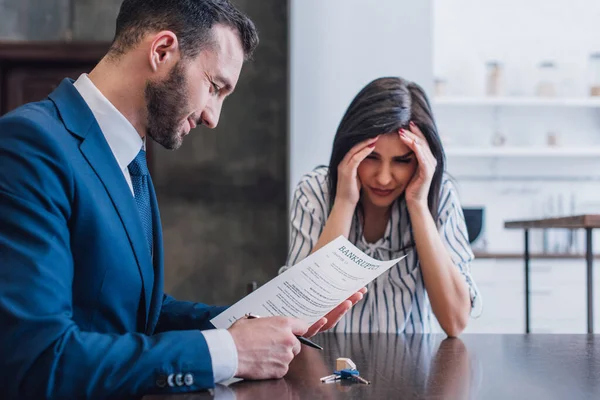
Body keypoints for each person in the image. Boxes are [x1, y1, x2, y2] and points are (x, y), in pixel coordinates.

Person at [0, 1, 365, 398]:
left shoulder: (128, 157)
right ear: (162, 51)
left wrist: (260, 321)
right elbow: (36, 360)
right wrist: (229, 352)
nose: (213, 117)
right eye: (215, 87)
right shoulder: (28, 146)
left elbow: (134, 314)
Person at [283, 77, 481, 336]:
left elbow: (455, 322)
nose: (384, 178)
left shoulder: (439, 195)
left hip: (413, 369)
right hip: (328, 368)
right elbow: (301, 314)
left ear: (422, 160)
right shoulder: (315, 193)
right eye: (371, 157)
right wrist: (344, 201)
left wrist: (418, 204)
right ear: (348, 150)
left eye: (401, 161)